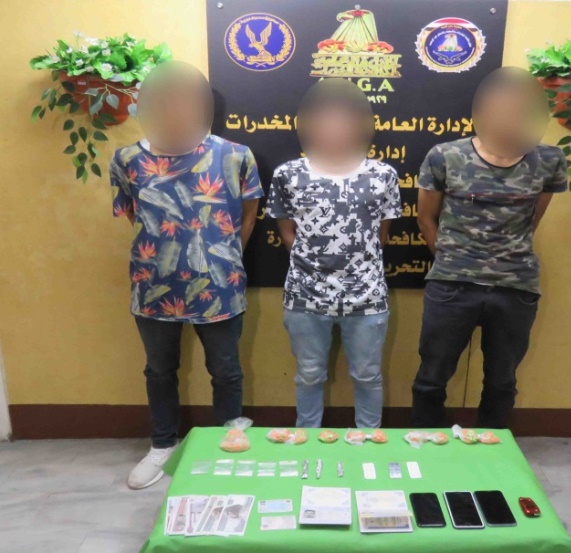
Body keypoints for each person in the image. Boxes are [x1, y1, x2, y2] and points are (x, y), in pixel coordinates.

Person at [110, 62, 263, 489]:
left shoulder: (235, 156)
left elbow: (248, 215)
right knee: (159, 371)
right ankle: (163, 445)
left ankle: (228, 443)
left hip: (220, 286)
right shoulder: (127, 159)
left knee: (226, 371)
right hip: (153, 289)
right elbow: (136, 217)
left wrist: (222, 255)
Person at [412, 67, 567, 429]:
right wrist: (453, 260)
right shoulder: (445, 155)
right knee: (432, 378)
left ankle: (492, 449)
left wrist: (504, 257)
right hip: (452, 287)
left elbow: (532, 220)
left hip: (515, 287)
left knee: (501, 382)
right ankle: (426, 447)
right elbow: (425, 220)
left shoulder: (549, 160)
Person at [267, 79, 402, 429]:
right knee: (309, 374)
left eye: (344, 123)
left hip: (367, 296)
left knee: (368, 375)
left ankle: (368, 441)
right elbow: (287, 233)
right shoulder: (288, 175)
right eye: (326, 122)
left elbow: (381, 234)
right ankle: (307, 440)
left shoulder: (383, 175)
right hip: (305, 296)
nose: (335, 130)